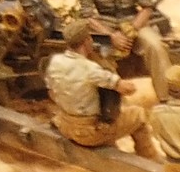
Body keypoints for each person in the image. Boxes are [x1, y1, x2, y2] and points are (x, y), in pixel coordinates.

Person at [75, 0, 174, 104]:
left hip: (134, 20)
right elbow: (87, 16)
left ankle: (166, 98)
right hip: (106, 23)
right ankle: (113, 103)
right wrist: (111, 36)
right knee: (100, 53)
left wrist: (132, 29)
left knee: (155, 46)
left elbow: (147, 7)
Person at [45, 17, 156, 158]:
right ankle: (149, 157)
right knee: (138, 115)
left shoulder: (55, 62)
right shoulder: (90, 69)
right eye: (90, 38)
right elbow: (128, 89)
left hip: (64, 124)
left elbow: (52, 93)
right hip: (88, 132)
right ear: (86, 41)